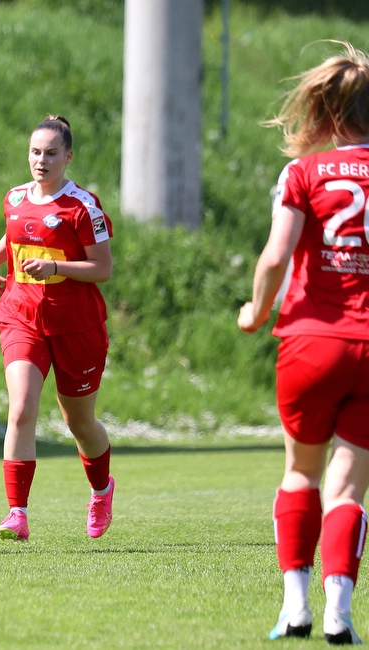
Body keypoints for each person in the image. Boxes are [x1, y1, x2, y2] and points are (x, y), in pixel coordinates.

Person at [238, 41, 369, 644]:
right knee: (348, 487)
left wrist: (256, 310)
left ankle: (296, 608)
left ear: (327, 112)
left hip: (311, 341)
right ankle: (340, 612)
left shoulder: (304, 172)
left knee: (300, 474)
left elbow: (275, 257)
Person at [0, 115, 115, 543]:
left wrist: (56, 267)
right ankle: (17, 513)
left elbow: (103, 269)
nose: (41, 160)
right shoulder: (15, 197)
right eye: (36, 152)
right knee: (20, 409)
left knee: (80, 423)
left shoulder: (83, 208)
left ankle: (101, 490)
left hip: (76, 326)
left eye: (51, 153)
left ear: (68, 157)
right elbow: (15, 233)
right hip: (21, 315)